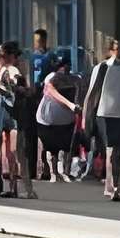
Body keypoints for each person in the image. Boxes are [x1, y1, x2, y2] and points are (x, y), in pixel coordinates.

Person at [85, 38, 120, 202]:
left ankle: (117, 186)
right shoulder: (102, 67)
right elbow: (92, 93)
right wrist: (85, 116)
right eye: (116, 49)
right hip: (105, 114)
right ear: (110, 50)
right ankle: (113, 188)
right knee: (110, 151)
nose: (119, 52)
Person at [0, 41, 34, 195]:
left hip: (10, 114)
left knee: (14, 151)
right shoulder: (1, 70)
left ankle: (23, 189)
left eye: (1, 56)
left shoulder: (12, 70)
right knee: (9, 152)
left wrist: (12, 86)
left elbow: (19, 86)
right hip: (6, 113)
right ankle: (13, 188)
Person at [36, 51, 83, 181]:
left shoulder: (75, 79)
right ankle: (54, 172)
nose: (65, 68)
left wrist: (76, 107)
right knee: (52, 147)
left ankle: (64, 172)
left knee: (65, 146)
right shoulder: (52, 77)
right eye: (63, 66)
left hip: (65, 120)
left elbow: (79, 95)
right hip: (49, 119)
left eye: (67, 65)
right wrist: (71, 105)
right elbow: (50, 90)